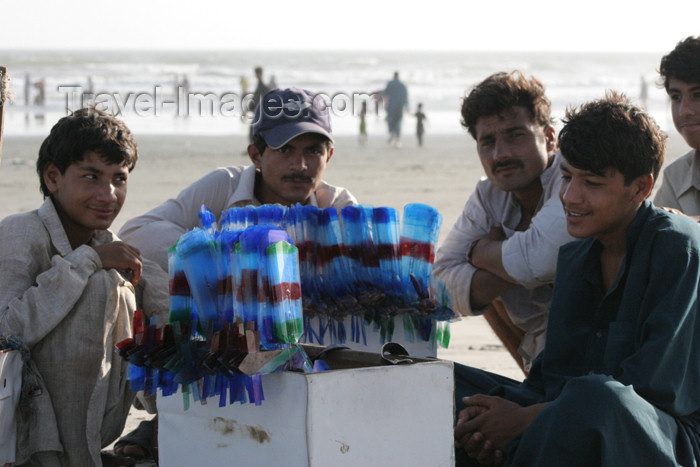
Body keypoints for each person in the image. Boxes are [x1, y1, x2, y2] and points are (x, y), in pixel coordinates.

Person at [453, 92, 700, 467]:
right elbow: (550, 381)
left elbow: (650, 390)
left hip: (662, 439)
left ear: (640, 188)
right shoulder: (576, 256)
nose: (570, 196)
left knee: (597, 398)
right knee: (448, 387)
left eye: (592, 183)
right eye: (567, 177)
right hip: (572, 418)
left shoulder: (679, 250)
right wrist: (491, 415)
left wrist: (521, 420)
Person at [0, 107, 169, 466]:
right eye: (91, 177)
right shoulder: (23, 231)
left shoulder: (104, 242)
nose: (108, 194)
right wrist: (89, 262)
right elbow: (5, 332)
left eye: (119, 179)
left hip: (94, 428)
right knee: (99, 286)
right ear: (53, 178)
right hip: (25, 430)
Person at [120, 86, 357, 271]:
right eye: (285, 150)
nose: (300, 165)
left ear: (329, 156)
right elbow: (136, 232)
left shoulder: (337, 209)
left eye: (313, 152)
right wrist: (220, 260)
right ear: (256, 156)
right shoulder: (225, 187)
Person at [433, 71, 573, 372]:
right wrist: (512, 255)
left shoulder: (572, 177)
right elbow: (440, 285)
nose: (501, 154)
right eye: (487, 142)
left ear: (548, 138)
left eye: (515, 135)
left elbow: (541, 260)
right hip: (540, 352)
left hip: (597, 354)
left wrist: (483, 253)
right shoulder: (489, 194)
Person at [653, 35, 700, 221]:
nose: (684, 111)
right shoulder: (676, 177)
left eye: (697, 95)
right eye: (676, 97)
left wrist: (686, 224)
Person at [382, 71, 409, 147]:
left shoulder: (390, 84)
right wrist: (407, 107)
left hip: (391, 106)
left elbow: (385, 93)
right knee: (398, 122)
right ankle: (397, 139)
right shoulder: (402, 85)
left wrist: (380, 102)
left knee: (390, 121)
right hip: (399, 107)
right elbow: (405, 96)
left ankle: (392, 133)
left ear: (393, 76)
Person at [247, 66, 271, 144]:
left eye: (258, 73)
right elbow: (255, 98)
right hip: (257, 111)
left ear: (261, 74)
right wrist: (250, 107)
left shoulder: (264, 86)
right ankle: (253, 146)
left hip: (261, 112)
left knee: (255, 130)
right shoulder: (259, 85)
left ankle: (254, 146)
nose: (257, 75)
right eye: (256, 73)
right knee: (254, 130)